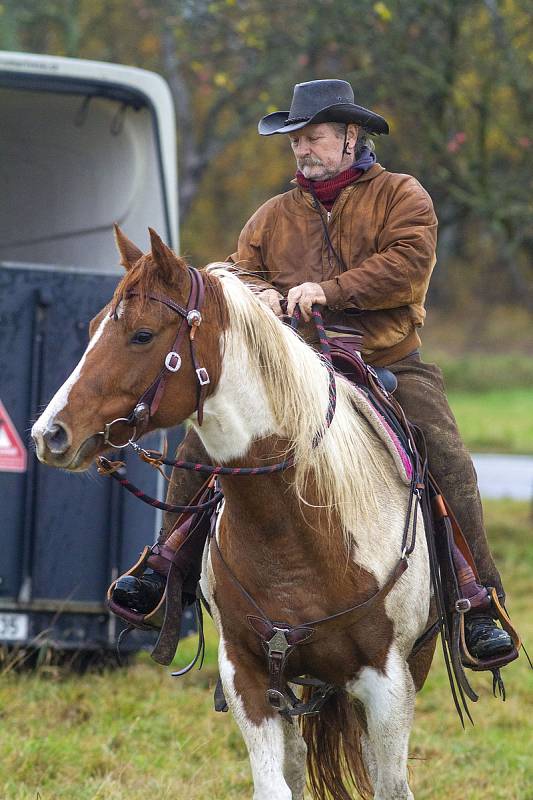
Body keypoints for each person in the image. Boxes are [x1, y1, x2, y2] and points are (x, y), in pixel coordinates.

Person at [115, 79, 512, 661]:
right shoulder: (271, 216)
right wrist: (256, 298)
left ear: (352, 137)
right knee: (203, 441)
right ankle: (165, 571)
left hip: (386, 361)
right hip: (292, 373)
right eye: (295, 140)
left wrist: (325, 291)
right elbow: (238, 275)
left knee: (448, 459)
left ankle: (477, 605)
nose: (302, 149)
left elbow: (405, 266)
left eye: (314, 137)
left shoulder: (404, 196)